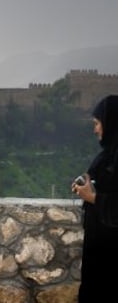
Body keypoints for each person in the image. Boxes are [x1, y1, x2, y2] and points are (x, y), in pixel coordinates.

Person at [71, 94, 118, 302]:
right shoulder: (109, 154)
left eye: (98, 123)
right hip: (100, 250)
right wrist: (85, 182)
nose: (95, 129)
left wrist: (93, 198)